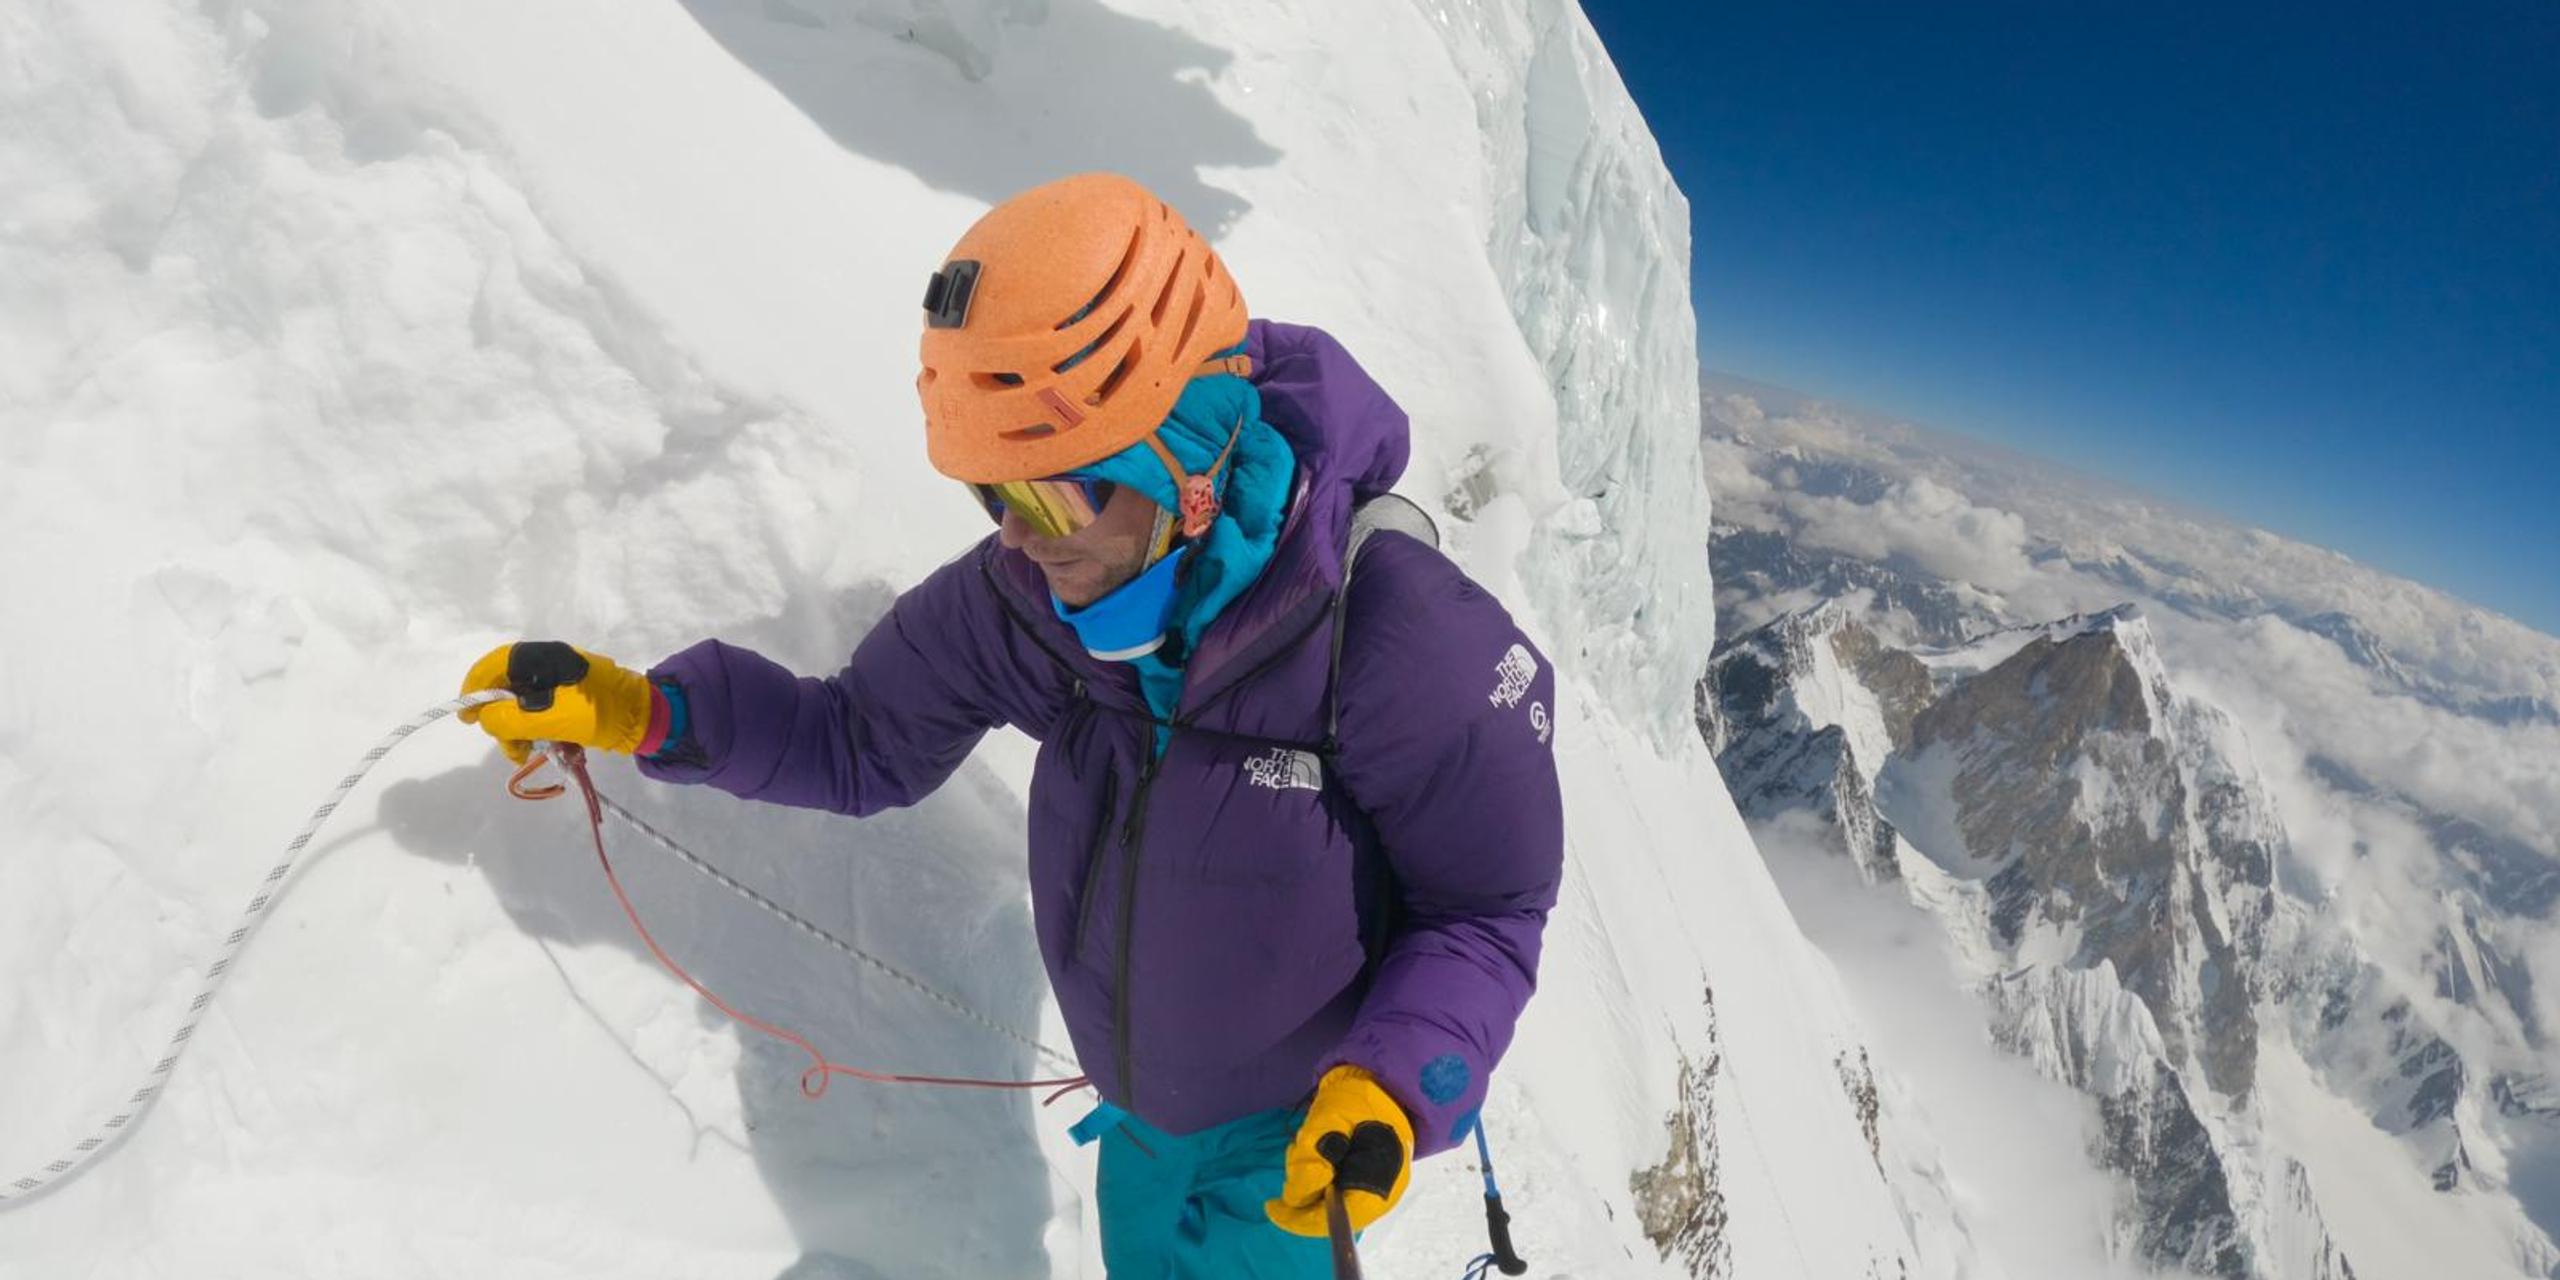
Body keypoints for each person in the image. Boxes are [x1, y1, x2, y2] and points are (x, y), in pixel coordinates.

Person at [458, 173, 1563, 1278]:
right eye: (995, 495)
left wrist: (1395, 1081)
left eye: (1049, 500)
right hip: (1137, 1114)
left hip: (1299, 1141)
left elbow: (1488, 905)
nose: (1020, 541)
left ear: (1187, 462)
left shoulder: (1392, 631)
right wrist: (641, 709)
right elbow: (856, 738)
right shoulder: (1027, 603)